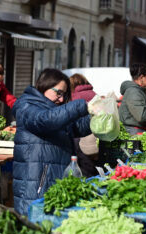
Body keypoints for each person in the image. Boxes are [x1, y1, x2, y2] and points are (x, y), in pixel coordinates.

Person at [12, 68, 91, 215]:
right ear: (44, 86)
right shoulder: (27, 106)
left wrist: (95, 118)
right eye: (58, 93)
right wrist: (82, 106)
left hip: (54, 179)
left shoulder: (55, 110)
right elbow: (45, 120)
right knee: (33, 224)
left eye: (64, 95)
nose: (61, 99)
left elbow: (74, 127)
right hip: (37, 183)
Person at [70, 73, 100, 177]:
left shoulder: (74, 96)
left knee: (84, 169)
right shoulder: (94, 94)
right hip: (97, 135)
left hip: (82, 137)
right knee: (95, 166)